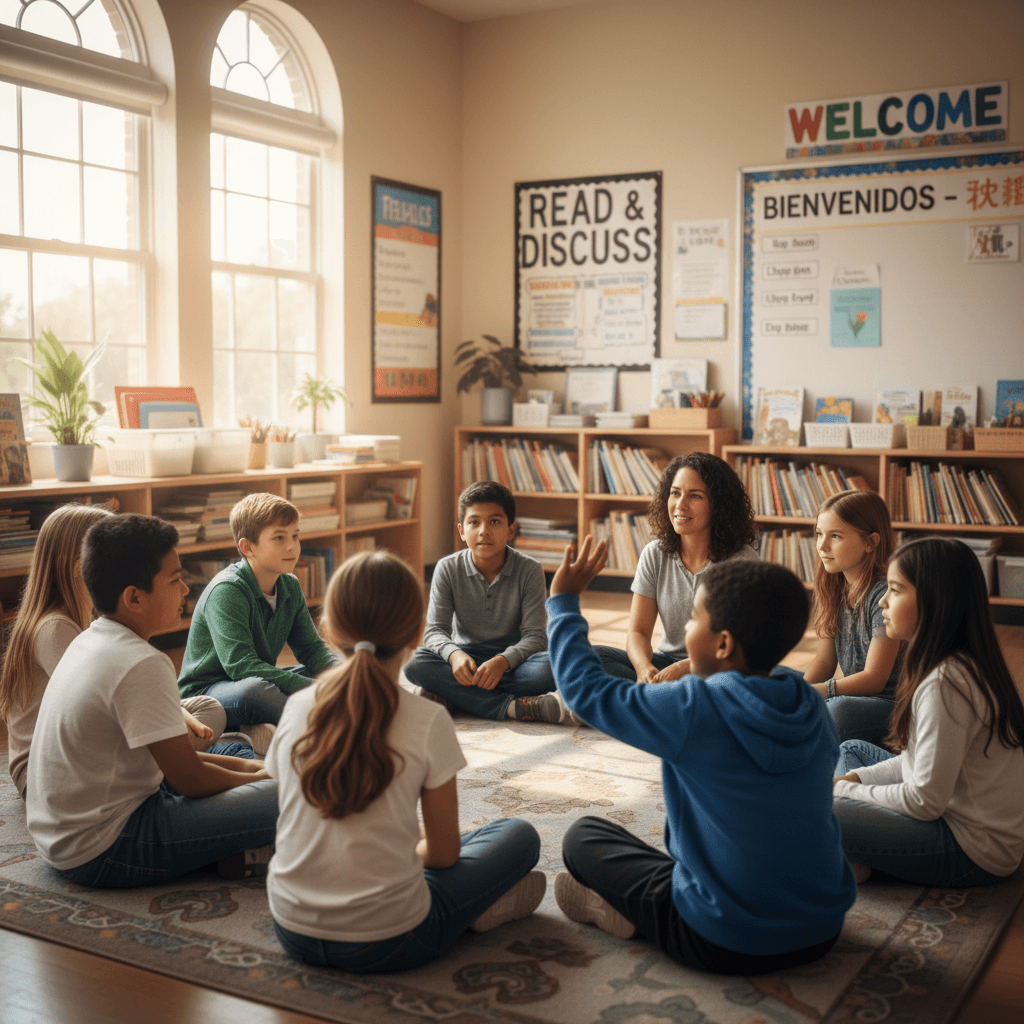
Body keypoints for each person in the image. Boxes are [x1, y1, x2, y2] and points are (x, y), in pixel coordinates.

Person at [547, 539, 856, 974]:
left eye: (694, 618)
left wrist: (563, 601)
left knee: (582, 837)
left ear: (723, 644)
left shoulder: (694, 708)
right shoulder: (812, 707)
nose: (687, 628)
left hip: (722, 939)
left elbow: (586, 693)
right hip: (822, 930)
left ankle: (622, 913)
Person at [266, 550, 545, 972]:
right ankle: (480, 910)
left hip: (291, 929)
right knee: (518, 835)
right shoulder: (427, 720)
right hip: (387, 941)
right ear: (417, 634)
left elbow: (286, 813)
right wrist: (406, 851)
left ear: (330, 631)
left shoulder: (297, 706)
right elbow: (445, 854)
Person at [25, 514, 278, 888]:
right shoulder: (141, 662)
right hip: (106, 846)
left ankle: (240, 850)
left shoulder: (91, 638)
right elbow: (189, 779)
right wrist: (268, 778)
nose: (186, 590)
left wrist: (255, 770)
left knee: (236, 750)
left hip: (63, 838)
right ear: (134, 597)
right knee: (291, 793)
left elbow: (173, 761)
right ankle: (252, 847)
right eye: (175, 580)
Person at [833, 537, 1024, 886]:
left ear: (936, 601)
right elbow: (913, 763)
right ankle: (855, 857)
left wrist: (843, 793)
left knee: (818, 806)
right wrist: (851, 782)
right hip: (951, 814)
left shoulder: (946, 683)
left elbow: (924, 801)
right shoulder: (953, 664)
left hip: (972, 848)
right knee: (852, 752)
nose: (883, 601)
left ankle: (850, 855)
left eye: (895, 590)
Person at [1, 503, 226, 798]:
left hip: (91, 740)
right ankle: (177, 765)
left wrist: (174, 712)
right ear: (81, 568)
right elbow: (97, 699)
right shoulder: (54, 628)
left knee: (209, 708)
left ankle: (177, 760)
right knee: (198, 730)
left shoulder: (91, 615)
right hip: (45, 770)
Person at [178, 492, 337, 752]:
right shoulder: (227, 590)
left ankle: (264, 727)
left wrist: (345, 674)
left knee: (325, 672)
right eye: (279, 538)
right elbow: (241, 666)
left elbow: (311, 649)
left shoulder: (290, 585)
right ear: (247, 547)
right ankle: (324, 726)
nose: (292, 546)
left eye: (295, 536)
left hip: (256, 679)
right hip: (208, 694)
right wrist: (318, 688)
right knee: (255, 691)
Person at [594, 452, 759, 684]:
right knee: (591, 657)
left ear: (718, 505)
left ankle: (649, 697)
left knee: (758, 677)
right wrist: (643, 668)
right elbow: (638, 632)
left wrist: (686, 668)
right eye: (675, 493)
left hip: (718, 669)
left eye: (695, 496)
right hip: (666, 663)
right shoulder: (654, 553)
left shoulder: (743, 562)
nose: (680, 505)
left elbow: (742, 647)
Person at [403, 481, 559, 721]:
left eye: (494, 522)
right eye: (474, 522)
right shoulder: (447, 568)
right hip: (466, 661)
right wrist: (454, 655)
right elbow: (435, 631)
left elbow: (536, 637)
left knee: (553, 667)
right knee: (415, 662)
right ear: (461, 531)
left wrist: (502, 662)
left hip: (514, 664)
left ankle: (453, 696)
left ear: (511, 530)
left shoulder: (530, 570)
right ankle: (512, 707)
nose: (484, 531)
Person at [802, 491, 901, 745]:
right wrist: (800, 692)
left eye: (835, 536)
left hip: (890, 706)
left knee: (838, 712)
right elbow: (824, 660)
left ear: (870, 542)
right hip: (852, 697)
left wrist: (820, 692)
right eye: (819, 534)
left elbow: (874, 679)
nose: (822, 546)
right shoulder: (833, 586)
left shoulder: (885, 594)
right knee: (773, 677)